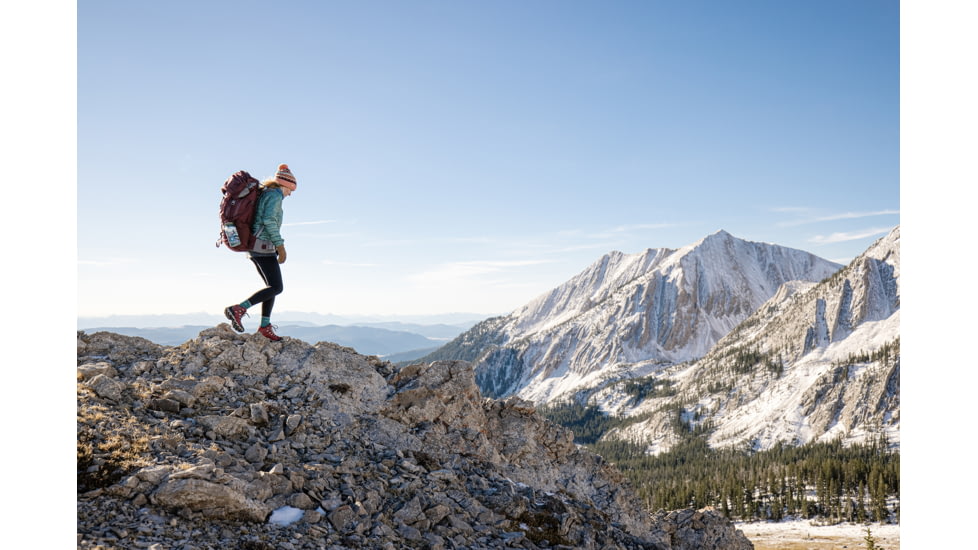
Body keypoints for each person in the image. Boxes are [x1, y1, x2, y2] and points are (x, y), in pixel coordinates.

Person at [224, 163, 297, 341]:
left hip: (255, 245)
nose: (291, 193)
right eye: (291, 189)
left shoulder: (266, 193)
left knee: (271, 288)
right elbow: (269, 221)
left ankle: (265, 326)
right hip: (262, 245)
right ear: (285, 185)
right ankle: (239, 309)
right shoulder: (275, 196)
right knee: (277, 287)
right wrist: (280, 245)